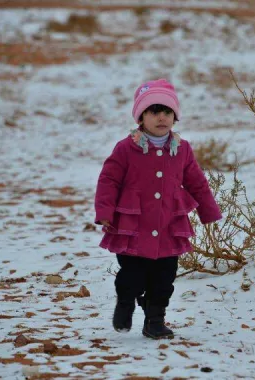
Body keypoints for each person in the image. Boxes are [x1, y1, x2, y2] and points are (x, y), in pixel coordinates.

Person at [94, 79, 222, 339]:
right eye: (154, 111)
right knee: (133, 275)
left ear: (175, 117)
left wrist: (208, 211)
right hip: (132, 226)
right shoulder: (126, 148)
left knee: (164, 278)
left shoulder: (182, 150)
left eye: (167, 111)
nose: (161, 117)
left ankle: (155, 320)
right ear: (141, 116)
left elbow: (197, 182)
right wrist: (105, 213)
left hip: (168, 227)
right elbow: (109, 180)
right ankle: (126, 301)